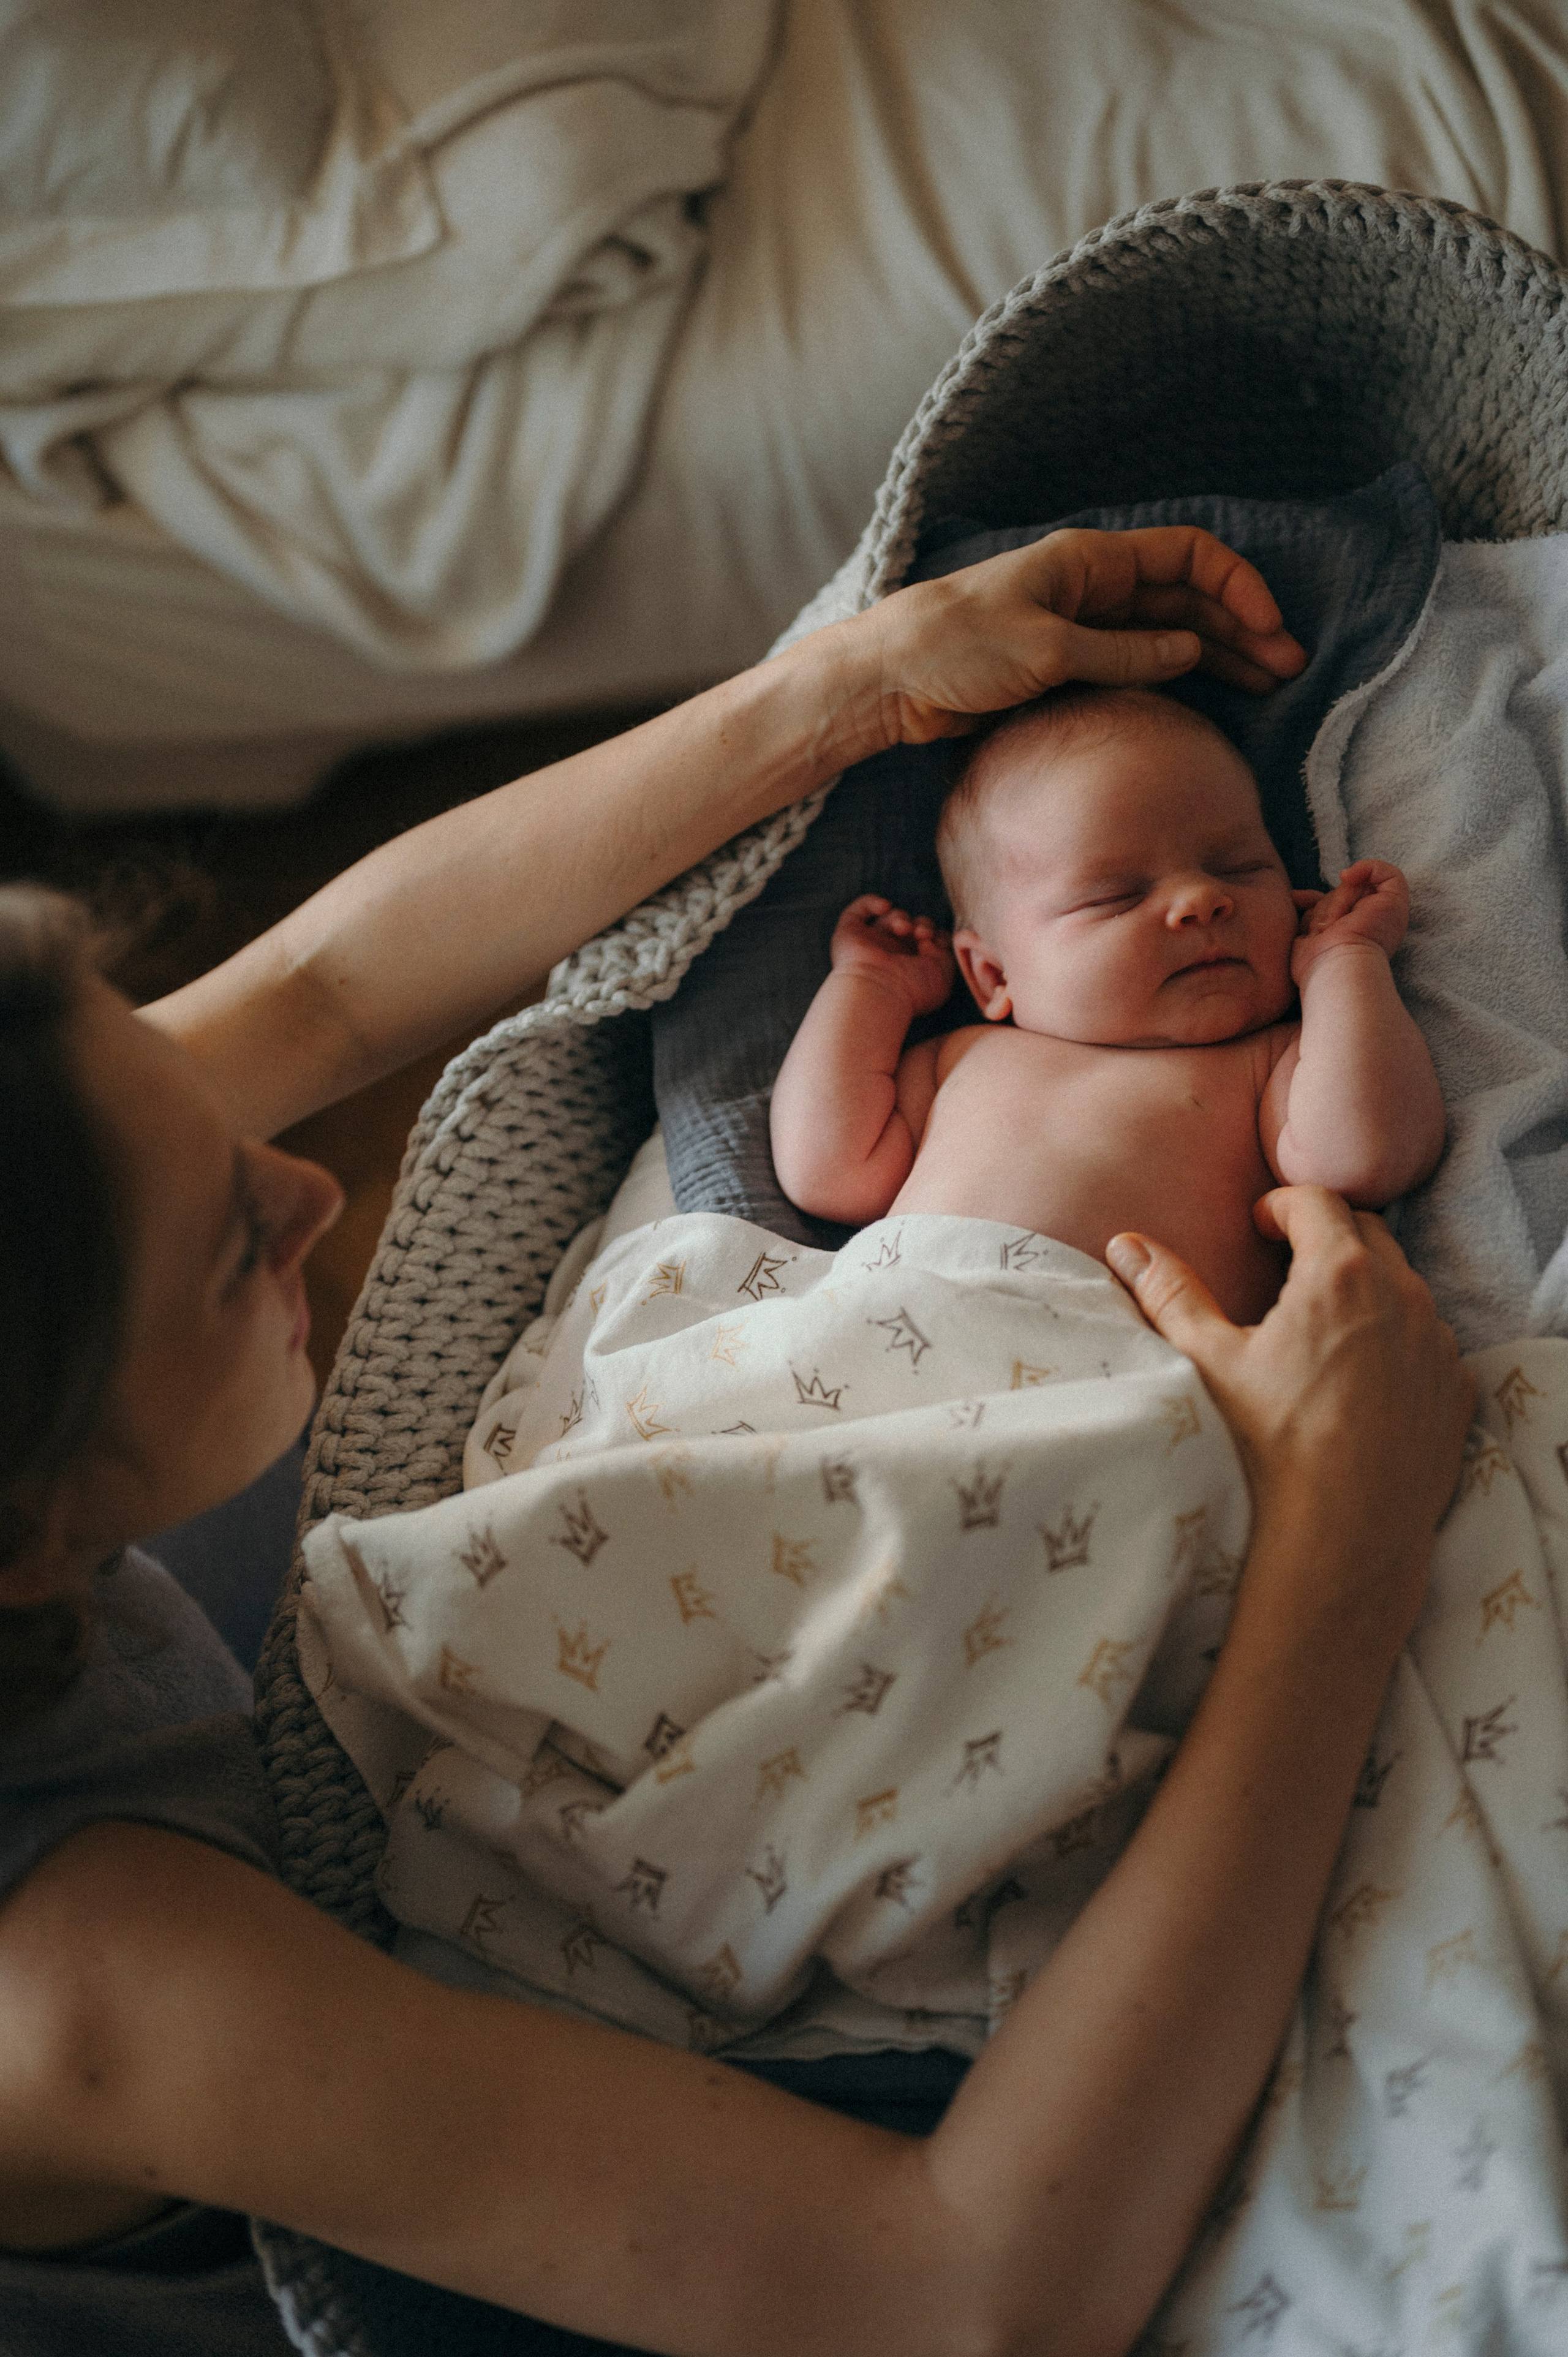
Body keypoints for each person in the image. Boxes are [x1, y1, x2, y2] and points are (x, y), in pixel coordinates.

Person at [0, 529, 1474, 2357]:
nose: (318, 1182)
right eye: (236, 1240)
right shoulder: (78, 1983)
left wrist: (848, 681)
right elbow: (963, 2289)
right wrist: (1339, 1535)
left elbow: (315, 987)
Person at [771, 685, 1446, 1326]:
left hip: (1120, 1379)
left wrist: (1343, 965)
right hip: (895, 1327)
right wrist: (871, 988)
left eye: (1240, 867)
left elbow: (1363, 1158)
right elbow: (825, 1171)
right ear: (992, 972)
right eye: (1117, 895)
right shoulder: (964, 1058)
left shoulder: (1272, 1062)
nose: (1201, 900)